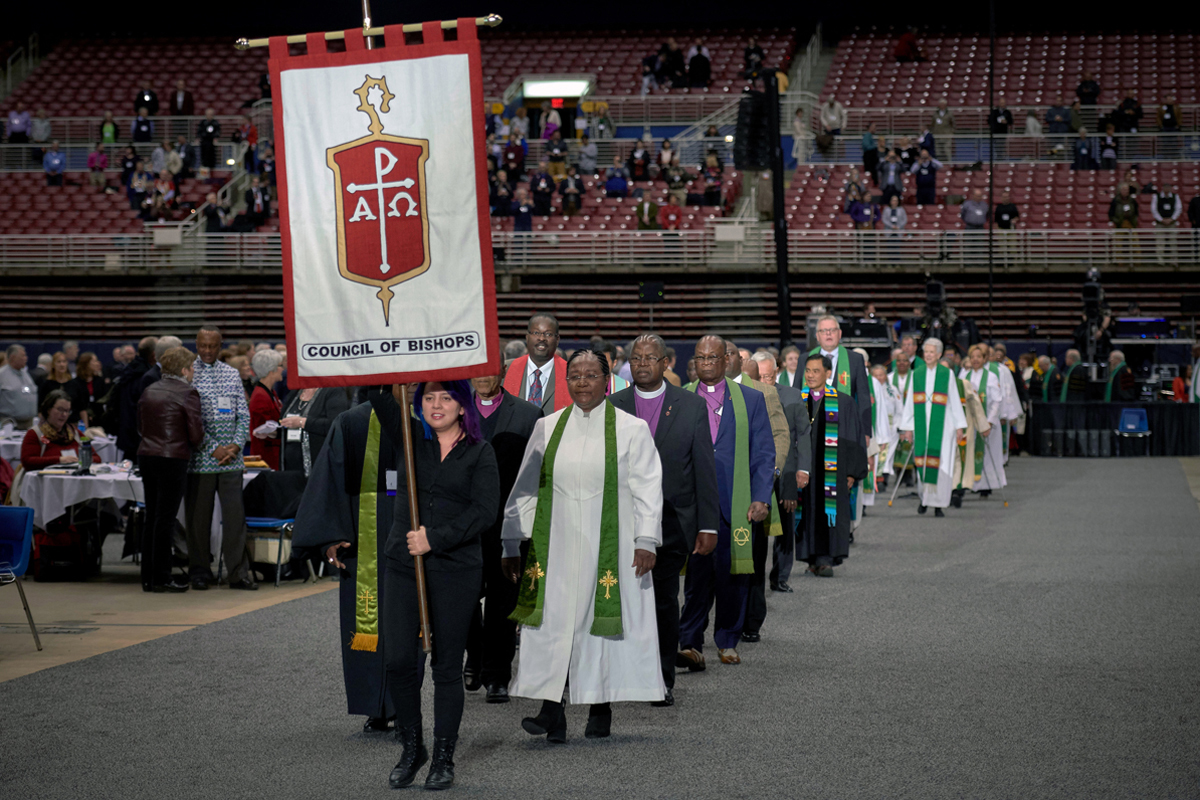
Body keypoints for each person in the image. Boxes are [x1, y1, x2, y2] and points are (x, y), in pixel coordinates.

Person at [502, 349, 664, 743]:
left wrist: (646, 539)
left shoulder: (631, 429)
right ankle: (551, 711)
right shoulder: (548, 427)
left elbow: (648, 488)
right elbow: (525, 488)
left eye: (592, 375)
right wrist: (511, 540)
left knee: (598, 627)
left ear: (606, 381)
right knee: (554, 626)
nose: (583, 382)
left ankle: (600, 707)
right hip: (555, 547)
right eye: (575, 375)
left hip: (610, 545)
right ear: (566, 381)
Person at [365, 381, 499, 789]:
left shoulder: (480, 451)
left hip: (456, 569)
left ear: (463, 407)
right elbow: (373, 387)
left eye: (446, 398)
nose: (436, 405)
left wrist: (434, 538)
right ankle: (412, 746)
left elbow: (485, 512)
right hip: (404, 566)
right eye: (428, 397)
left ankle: (444, 756)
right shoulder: (407, 435)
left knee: (445, 667)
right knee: (399, 661)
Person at [609, 334, 718, 707]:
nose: (642, 364)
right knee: (622, 600)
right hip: (622, 522)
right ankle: (622, 674)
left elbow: (704, 468)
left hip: (673, 521)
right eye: (636, 358)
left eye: (650, 358)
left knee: (662, 601)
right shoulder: (613, 405)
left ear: (665, 363)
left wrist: (708, 525)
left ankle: (661, 678)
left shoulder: (690, 406)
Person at [291, 386, 403, 734]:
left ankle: (405, 704)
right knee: (367, 622)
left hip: (416, 529)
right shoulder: (352, 422)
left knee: (409, 625)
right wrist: (329, 537)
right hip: (363, 531)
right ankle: (376, 706)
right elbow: (328, 481)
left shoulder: (434, 415)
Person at [677, 335, 774, 668]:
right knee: (696, 579)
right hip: (694, 505)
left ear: (726, 360)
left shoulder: (751, 399)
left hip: (736, 501)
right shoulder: (681, 398)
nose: (706, 363)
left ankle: (728, 639)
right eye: (700, 358)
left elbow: (763, 452)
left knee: (733, 576)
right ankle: (689, 641)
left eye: (713, 357)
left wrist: (762, 497)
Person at [462, 359, 542, 703]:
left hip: (509, 523)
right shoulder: (450, 409)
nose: (482, 376)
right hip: (462, 524)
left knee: (502, 602)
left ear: (503, 372)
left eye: (490, 369)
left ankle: (497, 673)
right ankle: (475, 656)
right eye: (476, 369)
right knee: (463, 598)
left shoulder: (528, 414)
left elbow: (538, 474)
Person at [780, 353, 867, 577]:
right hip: (804, 468)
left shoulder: (843, 402)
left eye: (816, 371)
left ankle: (826, 558)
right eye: (807, 371)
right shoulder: (797, 399)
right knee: (805, 509)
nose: (810, 375)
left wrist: (851, 472)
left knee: (830, 511)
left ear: (828, 374)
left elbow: (852, 439)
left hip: (833, 471)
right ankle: (809, 557)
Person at [185, 325, 253, 591]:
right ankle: (200, 571)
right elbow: (191, 420)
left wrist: (235, 446)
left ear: (221, 345)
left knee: (235, 519)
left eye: (213, 346)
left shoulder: (232, 374)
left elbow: (243, 415)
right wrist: (213, 447)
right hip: (201, 460)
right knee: (198, 520)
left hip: (232, 461)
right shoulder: (188, 373)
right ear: (196, 344)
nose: (208, 351)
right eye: (203, 345)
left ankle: (237, 573)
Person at [137, 347, 203, 593]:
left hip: (147, 455)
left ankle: (148, 576)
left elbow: (140, 426)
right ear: (184, 370)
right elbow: (196, 434)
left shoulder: (148, 390)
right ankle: (163, 576)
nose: (194, 371)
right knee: (166, 519)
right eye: (192, 367)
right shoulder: (188, 392)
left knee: (152, 517)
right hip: (173, 457)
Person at [898, 338, 967, 517]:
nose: (928, 355)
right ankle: (924, 500)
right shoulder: (917, 373)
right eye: (926, 352)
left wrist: (960, 426)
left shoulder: (947, 374)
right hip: (922, 426)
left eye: (931, 352)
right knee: (923, 462)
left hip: (944, 425)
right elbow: (909, 404)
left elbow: (954, 400)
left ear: (938, 354)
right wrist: (908, 428)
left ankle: (939, 504)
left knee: (942, 464)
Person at [810, 314, 872, 444]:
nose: (828, 334)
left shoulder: (855, 360)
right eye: (823, 331)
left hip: (846, 428)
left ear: (839, 333)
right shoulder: (805, 359)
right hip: (813, 428)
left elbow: (863, 398)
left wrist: (866, 431)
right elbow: (796, 395)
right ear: (817, 336)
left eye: (832, 330)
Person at [960, 344, 1006, 496]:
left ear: (985, 359)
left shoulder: (991, 377)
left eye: (979, 357)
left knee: (987, 453)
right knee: (969, 452)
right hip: (969, 423)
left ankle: (986, 485)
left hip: (987, 423)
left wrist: (989, 422)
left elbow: (996, 401)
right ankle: (970, 484)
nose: (975, 360)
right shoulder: (963, 375)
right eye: (972, 357)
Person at [502, 313, 569, 413]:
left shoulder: (571, 373)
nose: (541, 338)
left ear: (557, 340)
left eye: (548, 334)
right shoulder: (505, 369)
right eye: (536, 333)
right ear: (527, 337)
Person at [278, 385, 351, 476]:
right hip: (290, 465)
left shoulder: (333, 391)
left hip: (318, 464)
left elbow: (336, 424)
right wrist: (273, 432)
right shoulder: (295, 392)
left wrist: (303, 422)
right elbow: (284, 422)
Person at [20, 391, 103, 470]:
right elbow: (28, 462)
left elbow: (97, 458)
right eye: (60, 409)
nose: (64, 414)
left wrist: (81, 460)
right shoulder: (35, 434)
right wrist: (60, 460)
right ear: (48, 410)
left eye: (67, 411)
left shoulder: (75, 433)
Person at [248, 349, 284, 470]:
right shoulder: (260, 396)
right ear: (271, 370)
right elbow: (262, 430)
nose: (283, 369)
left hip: (272, 455)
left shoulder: (270, 392)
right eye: (280, 366)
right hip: (265, 457)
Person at [40, 352, 86, 425]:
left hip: (72, 423)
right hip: (52, 425)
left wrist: (85, 427)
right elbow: (41, 409)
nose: (62, 364)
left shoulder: (75, 384)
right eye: (59, 362)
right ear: (53, 365)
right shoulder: (47, 385)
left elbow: (82, 409)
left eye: (64, 361)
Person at [0, 345, 39, 429]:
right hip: (10, 423)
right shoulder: (2, 375)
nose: (26, 358)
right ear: (13, 357)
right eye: (23, 356)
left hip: (28, 422)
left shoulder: (26, 374)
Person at [1152, 183, 1183, 266]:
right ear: (1162, 188)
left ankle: (1174, 260)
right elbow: (1154, 210)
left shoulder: (1175, 196)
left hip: (1172, 223)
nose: (1166, 189)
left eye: (1168, 187)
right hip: (1160, 223)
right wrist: (1161, 219)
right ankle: (1160, 261)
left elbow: (1178, 208)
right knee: (1160, 242)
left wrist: (1172, 219)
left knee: (1173, 242)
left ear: (1170, 188)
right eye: (1165, 187)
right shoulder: (1156, 197)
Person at [198, 109, 221, 174]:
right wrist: (199, 138)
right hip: (204, 143)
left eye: (211, 114)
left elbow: (218, 132)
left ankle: (212, 173)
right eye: (208, 114)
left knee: (212, 158)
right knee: (204, 159)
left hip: (211, 144)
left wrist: (215, 138)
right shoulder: (202, 122)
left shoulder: (215, 123)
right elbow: (199, 132)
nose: (209, 116)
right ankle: (204, 174)